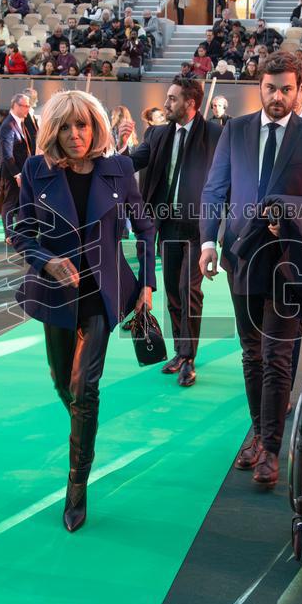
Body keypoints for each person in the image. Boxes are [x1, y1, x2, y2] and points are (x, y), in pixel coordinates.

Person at [11, 90, 155, 532]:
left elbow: (145, 226)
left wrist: (147, 283)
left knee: (84, 388)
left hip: (102, 293)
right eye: (68, 126)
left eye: (84, 125)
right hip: (55, 294)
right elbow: (21, 231)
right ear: (53, 129)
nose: (76, 135)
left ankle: (77, 488)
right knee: (64, 385)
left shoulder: (118, 169)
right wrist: (45, 261)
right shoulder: (36, 171)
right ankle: (82, 430)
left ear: (96, 127)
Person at [199, 52, 302, 487]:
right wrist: (207, 241)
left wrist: (287, 210)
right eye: (270, 87)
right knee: (251, 355)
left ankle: (271, 450)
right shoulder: (235, 131)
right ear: (259, 86)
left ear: (300, 91)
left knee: (278, 359)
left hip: (286, 263)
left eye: (286, 89)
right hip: (240, 255)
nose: (277, 96)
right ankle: (258, 434)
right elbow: (214, 189)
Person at [120, 78, 222, 386]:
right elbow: (130, 163)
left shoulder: (216, 135)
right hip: (167, 224)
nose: (166, 104)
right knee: (174, 293)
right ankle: (181, 351)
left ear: (191, 103)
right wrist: (122, 146)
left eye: (172, 99)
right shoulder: (157, 133)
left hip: (199, 225)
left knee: (189, 290)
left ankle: (188, 357)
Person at [0, 93, 34, 235]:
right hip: (12, 173)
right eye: (25, 106)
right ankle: (9, 235)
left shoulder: (20, 122)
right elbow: (7, 154)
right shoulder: (8, 125)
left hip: (21, 171)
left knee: (18, 202)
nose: (27, 109)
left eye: (28, 106)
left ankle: (18, 232)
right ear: (15, 106)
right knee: (9, 203)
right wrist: (17, 174)